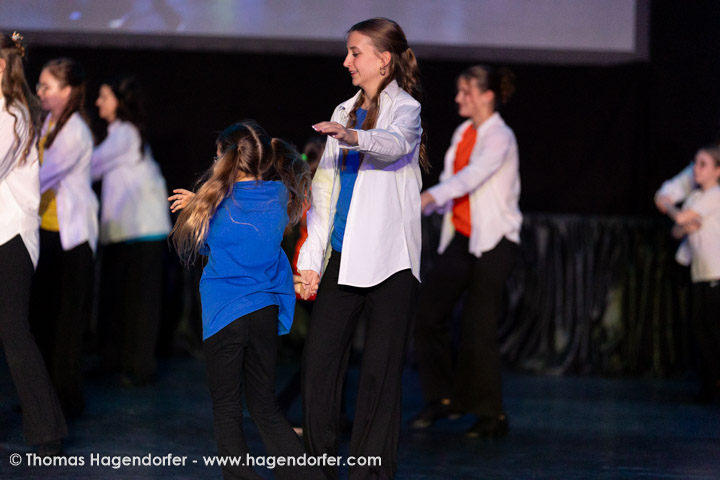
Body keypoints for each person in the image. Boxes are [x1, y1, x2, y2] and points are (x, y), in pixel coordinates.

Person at [296, 17, 427, 480]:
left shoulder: (405, 109)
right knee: (319, 365)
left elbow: (395, 144)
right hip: (343, 255)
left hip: (391, 262)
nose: (346, 61)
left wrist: (353, 137)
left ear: (383, 59)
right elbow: (324, 191)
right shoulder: (344, 109)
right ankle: (317, 465)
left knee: (379, 375)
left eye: (355, 53)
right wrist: (311, 260)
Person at [169, 121, 320, 480]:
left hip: (225, 314)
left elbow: (208, 245)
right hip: (263, 313)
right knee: (265, 406)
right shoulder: (279, 197)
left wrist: (197, 206)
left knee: (226, 409)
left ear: (226, 158)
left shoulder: (215, 203)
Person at [411, 65, 520, 438]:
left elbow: (472, 176)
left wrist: (430, 196)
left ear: (487, 96)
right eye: (458, 91)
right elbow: (452, 182)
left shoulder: (500, 136)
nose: (458, 98)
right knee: (429, 312)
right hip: (462, 236)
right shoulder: (463, 133)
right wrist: (424, 204)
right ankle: (442, 399)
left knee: (478, 326)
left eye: (466, 92)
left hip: (494, 240)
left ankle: (492, 414)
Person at [0, 31, 67, 455]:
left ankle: (47, 428)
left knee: (14, 330)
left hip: (12, 235)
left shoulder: (12, 114)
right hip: (5, 233)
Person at [92, 76, 171, 386]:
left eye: (104, 96)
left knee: (140, 302)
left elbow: (90, 165)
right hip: (132, 232)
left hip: (143, 231)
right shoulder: (123, 133)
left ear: (119, 102)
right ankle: (122, 362)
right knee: (126, 301)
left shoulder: (124, 133)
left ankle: (139, 368)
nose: (98, 102)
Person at [30, 57, 98, 418]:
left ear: (68, 91)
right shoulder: (48, 123)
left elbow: (40, 177)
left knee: (65, 323)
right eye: (39, 85)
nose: (39, 91)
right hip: (46, 232)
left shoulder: (75, 131)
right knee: (43, 317)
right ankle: (44, 399)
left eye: (47, 86)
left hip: (71, 239)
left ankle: (64, 400)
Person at [657, 146, 720, 402]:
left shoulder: (715, 195)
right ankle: (710, 385)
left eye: (703, 164)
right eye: (695, 163)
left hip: (716, 272)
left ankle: (713, 383)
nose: (696, 169)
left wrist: (669, 206)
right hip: (700, 272)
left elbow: (681, 218)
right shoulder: (695, 197)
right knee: (699, 329)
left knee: (712, 329)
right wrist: (683, 226)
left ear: (717, 171)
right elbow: (677, 230)